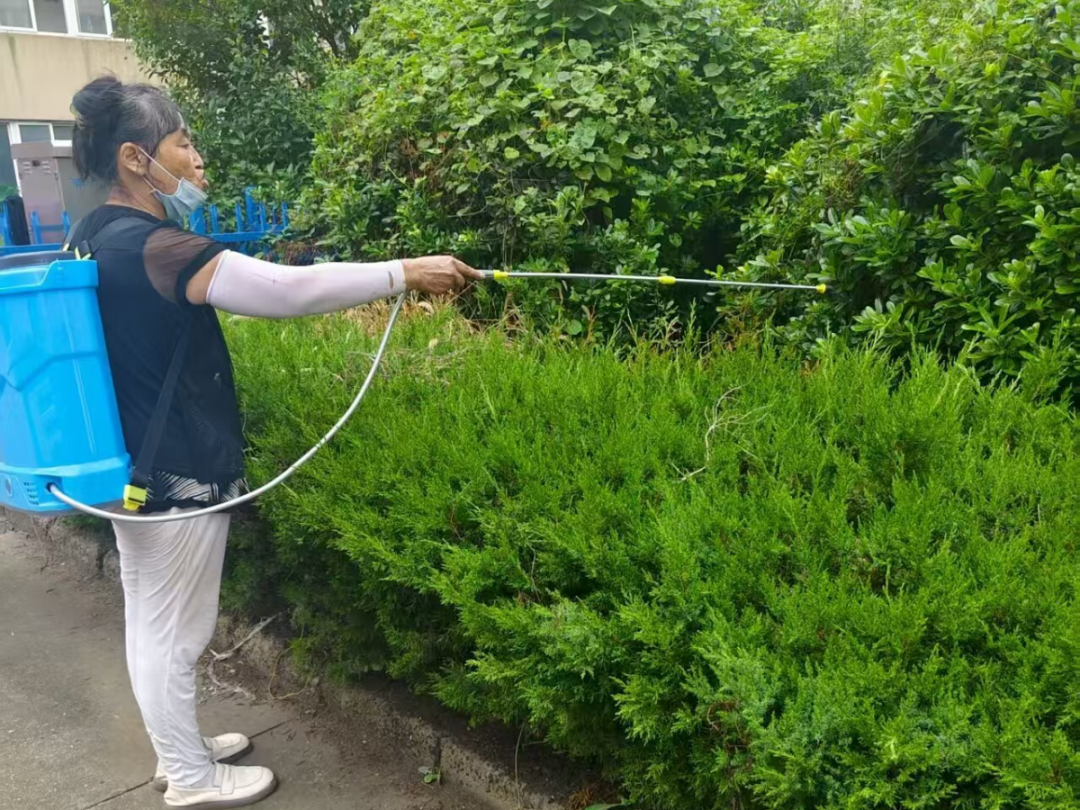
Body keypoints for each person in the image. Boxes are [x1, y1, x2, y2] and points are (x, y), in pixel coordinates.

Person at [68, 76, 481, 809]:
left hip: (136, 462)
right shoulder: (156, 247)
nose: (198, 160)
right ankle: (190, 779)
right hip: (173, 471)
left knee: (152, 621)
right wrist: (405, 273)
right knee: (174, 633)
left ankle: (179, 752)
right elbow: (285, 292)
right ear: (135, 158)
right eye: (182, 143)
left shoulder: (92, 233)